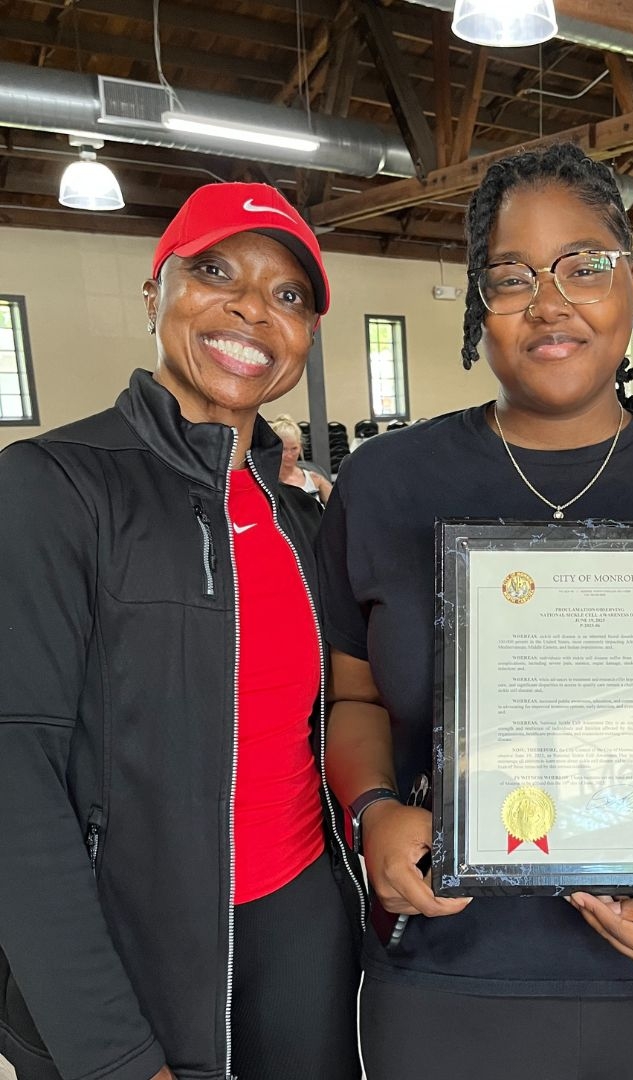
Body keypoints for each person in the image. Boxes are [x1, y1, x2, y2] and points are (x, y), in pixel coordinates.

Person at [317, 142, 633, 1080]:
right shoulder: (385, 484)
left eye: (584, 266)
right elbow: (354, 702)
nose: (550, 302)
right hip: (446, 966)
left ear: (631, 285)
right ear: (479, 305)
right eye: (511, 277)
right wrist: (375, 807)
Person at [0, 183, 363, 1080]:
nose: (251, 308)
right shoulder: (56, 487)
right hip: (127, 954)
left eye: (288, 295)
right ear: (154, 291)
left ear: (307, 335)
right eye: (215, 272)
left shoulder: (304, 521)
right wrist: (112, 1053)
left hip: (300, 941)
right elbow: (13, 777)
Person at [270, 413, 333, 502]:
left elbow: (339, 508)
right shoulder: (266, 481)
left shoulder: (315, 479)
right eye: (284, 449)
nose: (289, 455)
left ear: (300, 447)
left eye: (294, 448)